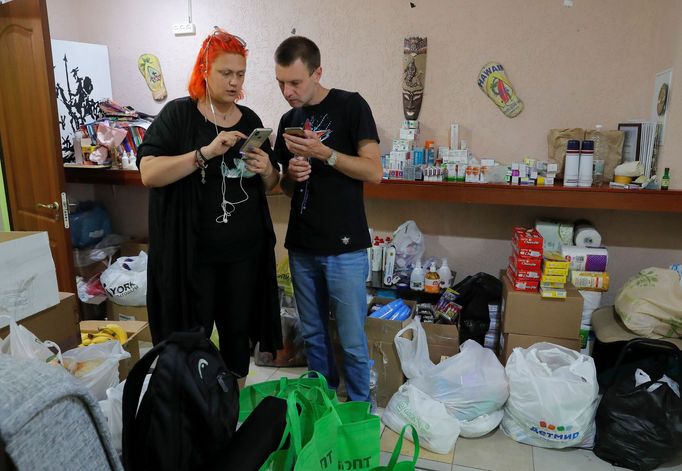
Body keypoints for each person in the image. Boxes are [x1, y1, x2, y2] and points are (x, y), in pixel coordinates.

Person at [136, 28, 282, 385]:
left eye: (241, 74)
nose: (235, 82)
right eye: (226, 73)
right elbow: (149, 173)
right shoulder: (178, 115)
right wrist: (205, 153)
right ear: (205, 70)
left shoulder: (249, 120)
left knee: (237, 338)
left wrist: (265, 171)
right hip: (191, 258)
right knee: (189, 341)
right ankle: (192, 410)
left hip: (243, 256)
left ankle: (229, 410)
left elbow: (274, 185)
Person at [273, 36, 382, 402]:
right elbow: (285, 189)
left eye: (295, 82)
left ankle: (359, 414)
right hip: (302, 246)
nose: (287, 92)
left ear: (318, 72)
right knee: (314, 336)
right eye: (280, 83)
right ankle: (321, 406)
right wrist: (292, 176)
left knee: (351, 340)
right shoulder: (289, 120)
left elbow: (373, 171)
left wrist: (325, 153)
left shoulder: (351, 106)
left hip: (345, 248)